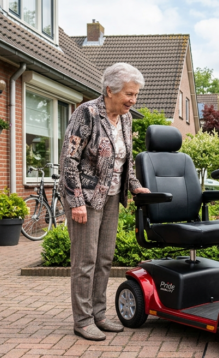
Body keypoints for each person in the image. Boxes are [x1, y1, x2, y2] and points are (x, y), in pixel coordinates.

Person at [59, 63, 150, 341]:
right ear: (110, 90)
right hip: (85, 197)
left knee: (104, 259)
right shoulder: (86, 113)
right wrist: (75, 201)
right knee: (85, 261)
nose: (133, 100)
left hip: (111, 197)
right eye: (129, 95)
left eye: (136, 95)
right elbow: (69, 159)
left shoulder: (126, 118)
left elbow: (125, 161)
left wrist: (135, 187)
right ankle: (83, 320)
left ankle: (99, 313)